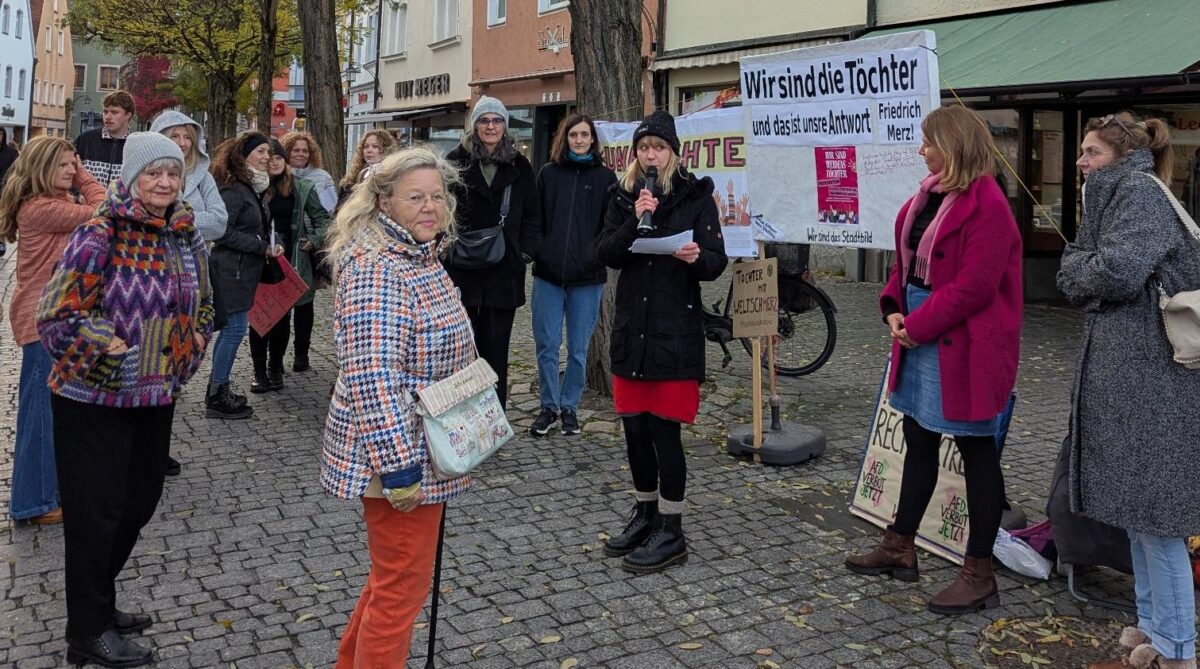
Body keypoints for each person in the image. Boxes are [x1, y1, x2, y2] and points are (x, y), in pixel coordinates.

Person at [36, 132, 213, 668]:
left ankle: (99, 603)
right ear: (130, 179)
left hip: (156, 396)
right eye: (152, 173)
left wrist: (194, 343)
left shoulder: (185, 234)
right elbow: (56, 315)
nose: (164, 182)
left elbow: (203, 303)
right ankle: (86, 632)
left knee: (139, 503)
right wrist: (111, 350)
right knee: (97, 515)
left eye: (172, 173)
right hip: (93, 398)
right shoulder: (100, 232)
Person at [843, 105, 1022, 615]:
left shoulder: (988, 203)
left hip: (963, 341)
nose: (921, 151)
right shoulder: (930, 194)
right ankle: (900, 545)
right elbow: (905, 261)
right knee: (918, 438)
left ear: (954, 145)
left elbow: (975, 288)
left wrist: (917, 325)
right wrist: (893, 309)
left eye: (928, 142)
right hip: (922, 329)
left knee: (976, 453)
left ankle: (979, 572)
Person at [321, 147, 473, 666]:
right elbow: (372, 378)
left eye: (437, 196)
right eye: (416, 197)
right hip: (399, 454)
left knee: (394, 579)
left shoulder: (418, 253)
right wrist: (399, 469)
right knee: (400, 590)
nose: (430, 206)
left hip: (425, 442)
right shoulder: (378, 268)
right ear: (384, 202)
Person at [1059, 112, 1200, 669]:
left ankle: (1177, 649)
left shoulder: (1138, 195)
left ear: (1120, 156)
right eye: (1082, 152)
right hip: (1137, 379)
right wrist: (1081, 263)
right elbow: (1101, 268)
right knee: (1138, 513)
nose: (1081, 160)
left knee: (1156, 519)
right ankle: (1151, 628)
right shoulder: (1116, 196)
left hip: (1155, 383)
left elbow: (1112, 273)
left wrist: (1075, 267)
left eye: (1091, 152)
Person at [596, 111, 728, 574]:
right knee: (634, 430)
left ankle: (672, 528)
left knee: (664, 432)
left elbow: (716, 260)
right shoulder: (622, 195)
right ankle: (645, 513)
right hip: (634, 327)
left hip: (675, 327)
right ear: (636, 153)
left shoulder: (695, 195)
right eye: (644, 147)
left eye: (659, 147)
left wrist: (696, 257)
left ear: (673, 152)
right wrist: (634, 220)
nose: (651, 155)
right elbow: (606, 253)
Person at [0, 137, 106, 525]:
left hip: (55, 318)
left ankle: (47, 492)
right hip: (41, 319)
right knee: (39, 416)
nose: (71, 170)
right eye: (63, 165)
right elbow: (103, 205)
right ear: (44, 169)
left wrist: (72, 166)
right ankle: (35, 502)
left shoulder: (51, 205)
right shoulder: (42, 208)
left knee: (52, 411)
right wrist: (82, 174)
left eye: (73, 165)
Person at [444, 96, 541, 409]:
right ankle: (463, 410)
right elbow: (443, 208)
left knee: (497, 348)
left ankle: (492, 412)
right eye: (484, 120)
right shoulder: (454, 160)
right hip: (463, 266)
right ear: (474, 126)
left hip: (504, 269)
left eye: (496, 120)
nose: (490, 126)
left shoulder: (519, 164)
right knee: (462, 347)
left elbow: (532, 214)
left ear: (505, 126)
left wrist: (524, 251)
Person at [529, 113, 616, 436]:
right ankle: (549, 406)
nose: (579, 140)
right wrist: (542, 251)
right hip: (548, 276)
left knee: (578, 350)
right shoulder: (549, 175)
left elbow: (609, 227)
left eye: (584, 135)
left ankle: (570, 407)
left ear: (593, 139)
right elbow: (535, 221)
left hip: (587, 278)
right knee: (547, 346)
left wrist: (593, 254)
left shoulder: (606, 178)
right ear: (564, 139)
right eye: (573, 135)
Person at [206, 131, 283, 419]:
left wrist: (271, 243)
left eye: (269, 152)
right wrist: (261, 247)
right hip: (231, 271)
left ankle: (217, 387)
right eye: (261, 152)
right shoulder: (235, 189)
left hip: (243, 271)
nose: (267, 157)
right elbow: (222, 231)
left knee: (232, 330)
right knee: (234, 330)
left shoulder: (254, 188)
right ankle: (217, 393)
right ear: (244, 155)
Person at [248, 138, 331, 391]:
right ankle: (259, 373)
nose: (273, 162)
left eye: (278, 157)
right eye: (268, 157)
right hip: (260, 257)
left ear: (284, 161)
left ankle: (275, 369)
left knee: (283, 317)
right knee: (260, 318)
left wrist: (313, 240)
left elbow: (323, 219)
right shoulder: (254, 188)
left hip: (289, 259)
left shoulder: (302, 187)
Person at [150, 110, 228, 242]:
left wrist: (176, 218)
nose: (182, 143)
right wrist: (197, 220)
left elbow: (219, 223)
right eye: (174, 136)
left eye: (187, 137)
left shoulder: (203, 177)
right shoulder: (147, 175)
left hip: (197, 259)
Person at [74, 90, 136, 188]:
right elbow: (68, 173)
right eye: (105, 112)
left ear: (128, 115)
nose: (108, 117)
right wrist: (76, 196)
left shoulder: (136, 145)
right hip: (87, 202)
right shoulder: (85, 140)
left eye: (114, 112)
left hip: (121, 203)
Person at [282, 130, 337, 213]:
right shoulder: (280, 176)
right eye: (296, 150)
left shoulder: (323, 177)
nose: (301, 154)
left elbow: (331, 209)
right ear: (287, 152)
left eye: (305, 151)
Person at [337, 129, 396, 205]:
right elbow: (338, 210)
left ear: (386, 150)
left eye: (375, 146)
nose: (369, 150)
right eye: (366, 146)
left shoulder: (393, 177)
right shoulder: (351, 179)